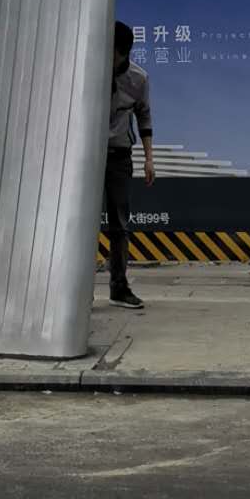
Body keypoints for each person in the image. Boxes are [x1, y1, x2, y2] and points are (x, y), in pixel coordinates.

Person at [105, 19, 155, 309]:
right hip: (85, 157)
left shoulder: (139, 79)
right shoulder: (88, 69)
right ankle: (75, 291)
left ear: (124, 53)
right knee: (79, 224)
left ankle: (119, 288)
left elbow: (144, 117)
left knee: (120, 225)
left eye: (112, 53)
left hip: (119, 157)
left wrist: (149, 159)